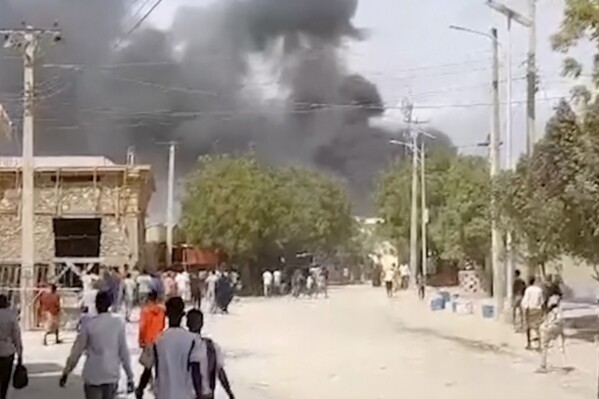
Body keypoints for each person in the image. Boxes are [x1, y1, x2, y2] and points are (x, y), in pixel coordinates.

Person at [60, 291, 134, 399]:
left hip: (93, 375)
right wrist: (130, 376)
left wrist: (66, 372)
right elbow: (124, 352)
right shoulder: (118, 323)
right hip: (111, 374)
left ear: (96, 304)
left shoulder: (89, 324)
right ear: (109, 305)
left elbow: (76, 351)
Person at [142, 297, 204, 399]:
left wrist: (140, 389)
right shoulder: (193, 340)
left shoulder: (157, 340)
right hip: (186, 395)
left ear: (166, 315)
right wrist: (200, 394)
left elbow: (147, 370)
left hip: (163, 395)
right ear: (183, 315)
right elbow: (196, 372)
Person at [186, 309, 235, 399]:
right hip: (206, 394)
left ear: (187, 323)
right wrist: (229, 393)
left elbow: (220, 372)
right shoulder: (211, 346)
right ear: (202, 323)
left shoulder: (182, 345)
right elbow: (220, 372)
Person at [136, 291, 165, 399]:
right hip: (159, 340)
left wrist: (141, 340)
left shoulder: (145, 311)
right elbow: (162, 325)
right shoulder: (161, 311)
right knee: (158, 366)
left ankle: (140, 388)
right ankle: (155, 386)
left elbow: (142, 327)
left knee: (147, 367)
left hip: (148, 340)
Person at [0, 294, 22, 399]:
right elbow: (16, 336)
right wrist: (20, 353)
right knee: (4, 379)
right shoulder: (11, 316)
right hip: (7, 351)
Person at [538, 294, 567, 373]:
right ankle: (558, 363)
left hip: (547, 329)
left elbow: (546, 321)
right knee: (554, 346)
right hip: (555, 329)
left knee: (544, 346)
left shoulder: (549, 311)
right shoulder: (559, 311)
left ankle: (543, 365)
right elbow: (561, 321)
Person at [521, 276, 544, 350]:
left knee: (528, 327)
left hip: (530, 309)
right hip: (538, 309)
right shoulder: (539, 290)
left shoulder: (528, 290)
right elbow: (542, 301)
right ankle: (539, 345)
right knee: (538, 327)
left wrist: (524, 309)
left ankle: (529, 344)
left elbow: (525, 301)